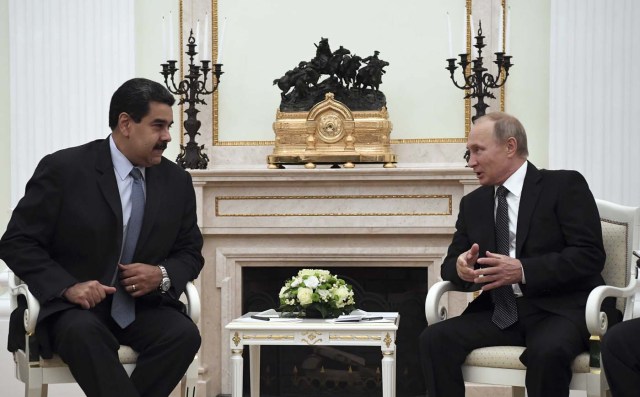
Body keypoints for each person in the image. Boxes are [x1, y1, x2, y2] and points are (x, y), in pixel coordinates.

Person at [0, 78, 204, 397]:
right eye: (158, 126)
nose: (167, 137)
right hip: (73, 312)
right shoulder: (64, 169)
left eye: (169, 127)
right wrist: (68, 286)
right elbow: (17, 241)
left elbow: (190, 251)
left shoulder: (177, 181)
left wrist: (161, 274)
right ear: (126, 123)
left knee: (184, 335)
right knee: (83, 333)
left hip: (142, 308)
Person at [419, 112, 616, 397]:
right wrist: (461, 268)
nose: (470, 161)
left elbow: (589, 255)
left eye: (478, 151)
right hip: (501, 312)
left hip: (561, 310)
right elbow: (451, 265)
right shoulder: (473, 203)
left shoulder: (563, 186)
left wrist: (523, 270)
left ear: (509, 147)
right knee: (434, 339)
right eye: (468, 152)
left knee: (546, 352)